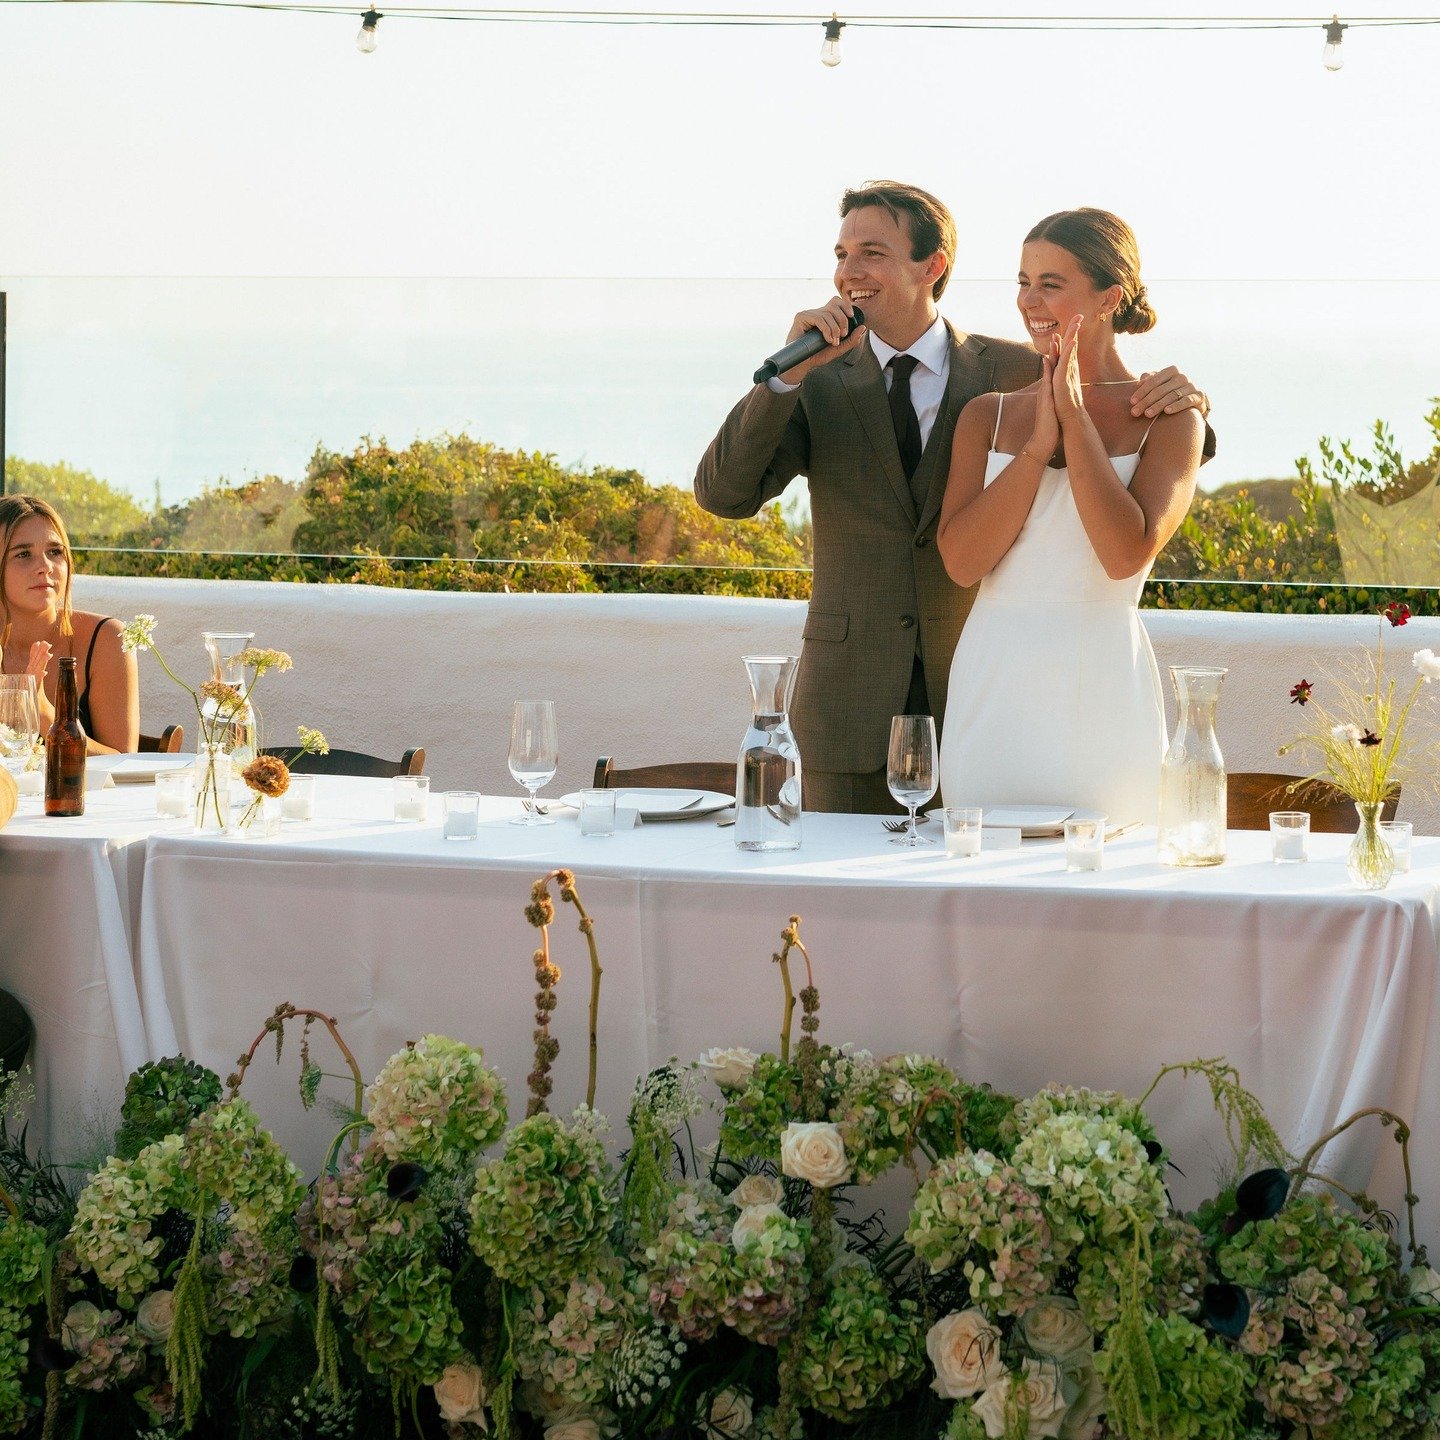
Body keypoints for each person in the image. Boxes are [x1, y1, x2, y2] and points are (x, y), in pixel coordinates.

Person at [694, 181, 1208, 814]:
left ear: (931, 266)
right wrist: (782, 377)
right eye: (841, 252)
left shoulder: (1018, 366)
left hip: (987, 689)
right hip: (849, 710)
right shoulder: (815, 378)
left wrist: (1186, 399)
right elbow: (724, 495)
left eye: (872, 252)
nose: (846, 271)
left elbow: (1131, 434)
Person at [936, 208, 1204, 824]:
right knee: (978, 874)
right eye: (1023, 281)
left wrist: (1075, 418)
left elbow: (1122, 556)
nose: (1029, 301)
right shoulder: (987, 415)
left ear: (1109, 298)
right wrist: (1036, 445)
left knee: (1108, 882)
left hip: (1102, 686)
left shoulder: (1171, 418)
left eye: (1050, 284)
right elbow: (963, 562)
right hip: (994, 684)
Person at [0, 495, 139, 754]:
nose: (45, 567)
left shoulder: (107, 639)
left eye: (55, 551)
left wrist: (41, 712)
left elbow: (124, 763)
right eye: (23, 554)